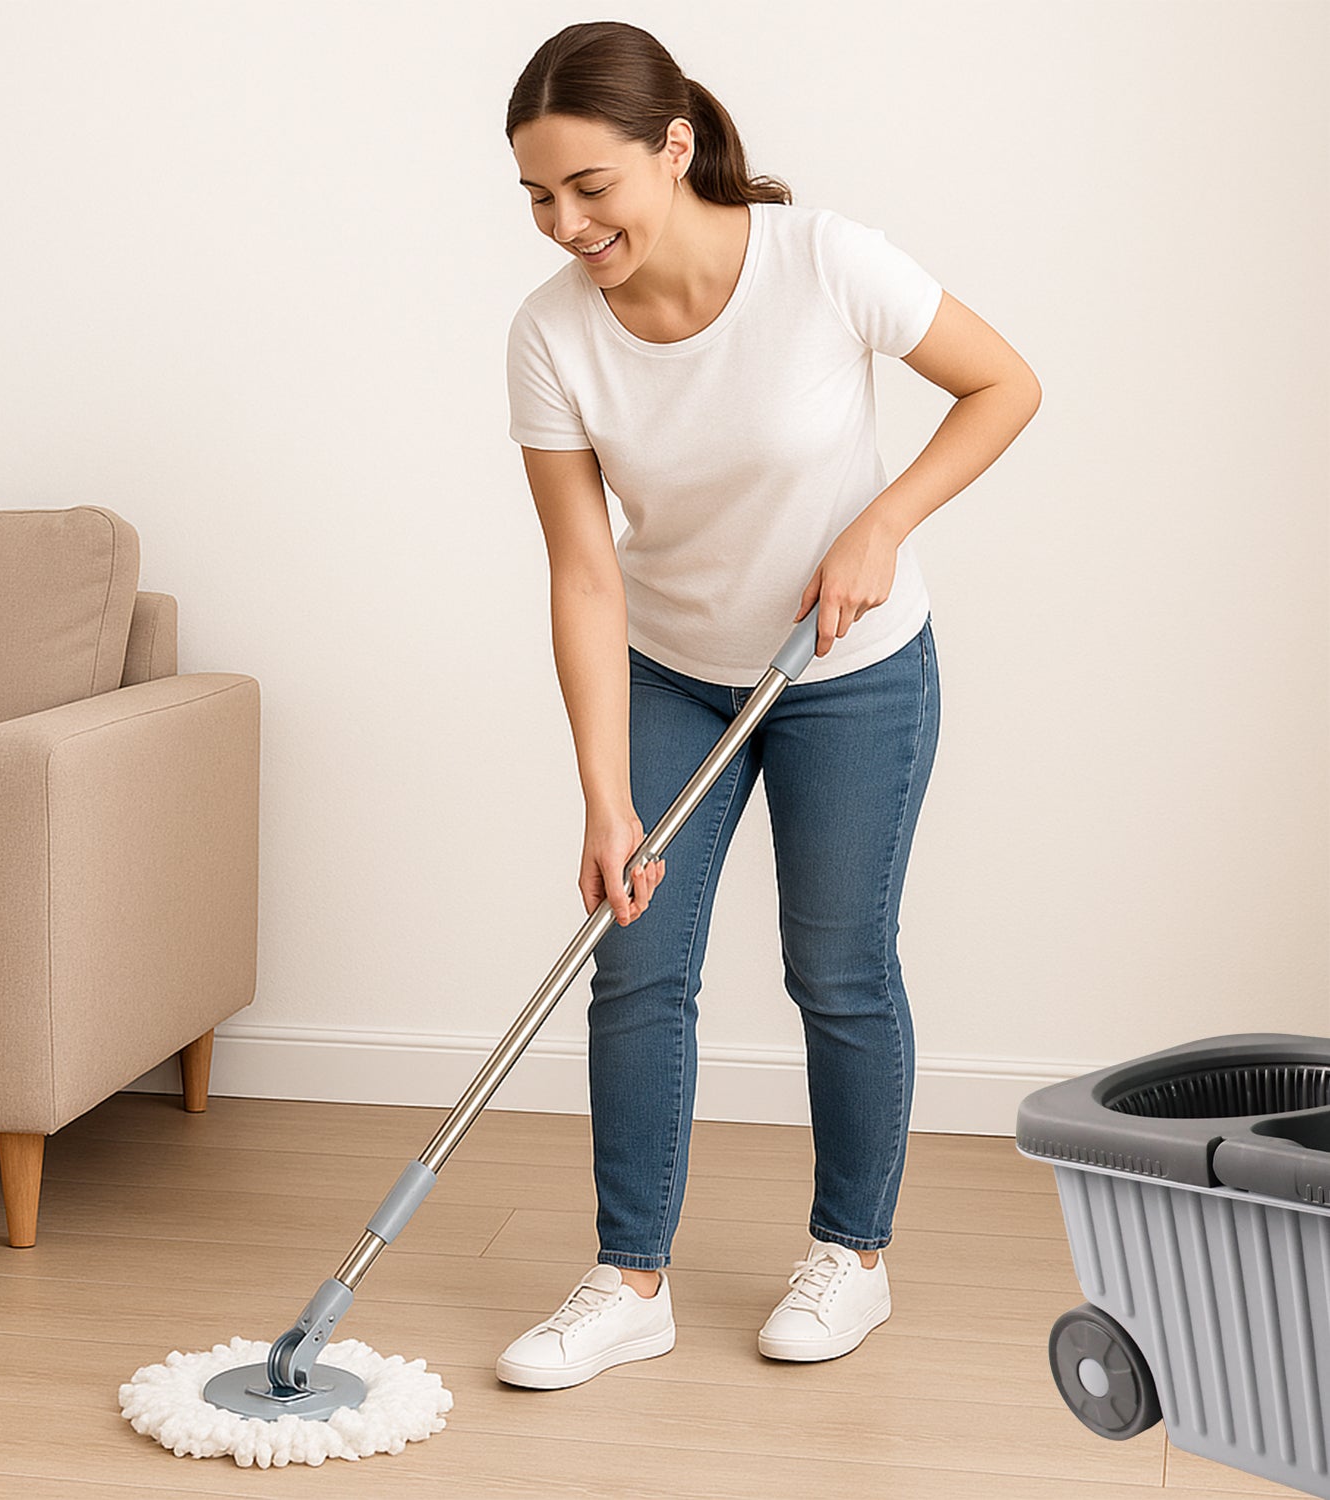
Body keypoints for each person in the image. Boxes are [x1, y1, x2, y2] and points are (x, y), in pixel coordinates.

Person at [496, 21, 1041, 1390]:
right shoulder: (552, 336)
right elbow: (582, 576)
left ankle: (852, 1256)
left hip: (848, 673)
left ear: (673, 149)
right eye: (539, 197)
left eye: (591, 188)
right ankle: (631, 1281)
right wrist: (604, 795)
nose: (567, 224)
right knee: (637, 960)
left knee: (836, 966)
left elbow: (1005, 384)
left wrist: (882, 523)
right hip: (674, 669)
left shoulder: (823, 263)